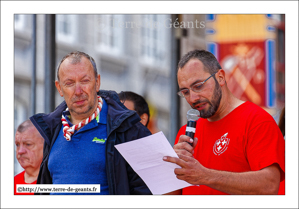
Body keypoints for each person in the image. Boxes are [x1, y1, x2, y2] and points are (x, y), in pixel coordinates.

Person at [163, 49, 285, 195]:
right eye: (185, 92)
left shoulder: (256, 120)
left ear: (220, 77)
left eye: (198, 86)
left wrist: (204, 175)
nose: (193, 98)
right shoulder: (186, 132)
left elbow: (269, 187)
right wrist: (169, 170)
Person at [30, 51, 152, 195]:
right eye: (69, 83)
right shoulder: (52, 128)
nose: (78, 91)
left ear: (97, 82)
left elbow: (151, 192)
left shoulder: (130, 128)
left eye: (84, 81)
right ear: (59, 88)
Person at [14, 120, 44, 195]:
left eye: (28, 144)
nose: (20, 151)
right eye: (17, 145)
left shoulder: (56, 184)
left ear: (45, 147)